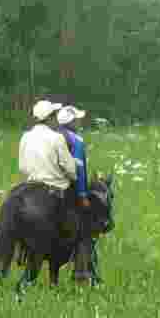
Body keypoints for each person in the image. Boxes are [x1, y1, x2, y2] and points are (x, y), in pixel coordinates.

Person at [57, 104, 101, 285]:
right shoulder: (76, 141)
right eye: (77, 119)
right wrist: (82, 195)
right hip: (68, 190)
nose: (80, 122)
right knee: (86, 229)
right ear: (72, 122)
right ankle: (82, 272)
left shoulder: (51, 136)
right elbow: (79, 171)